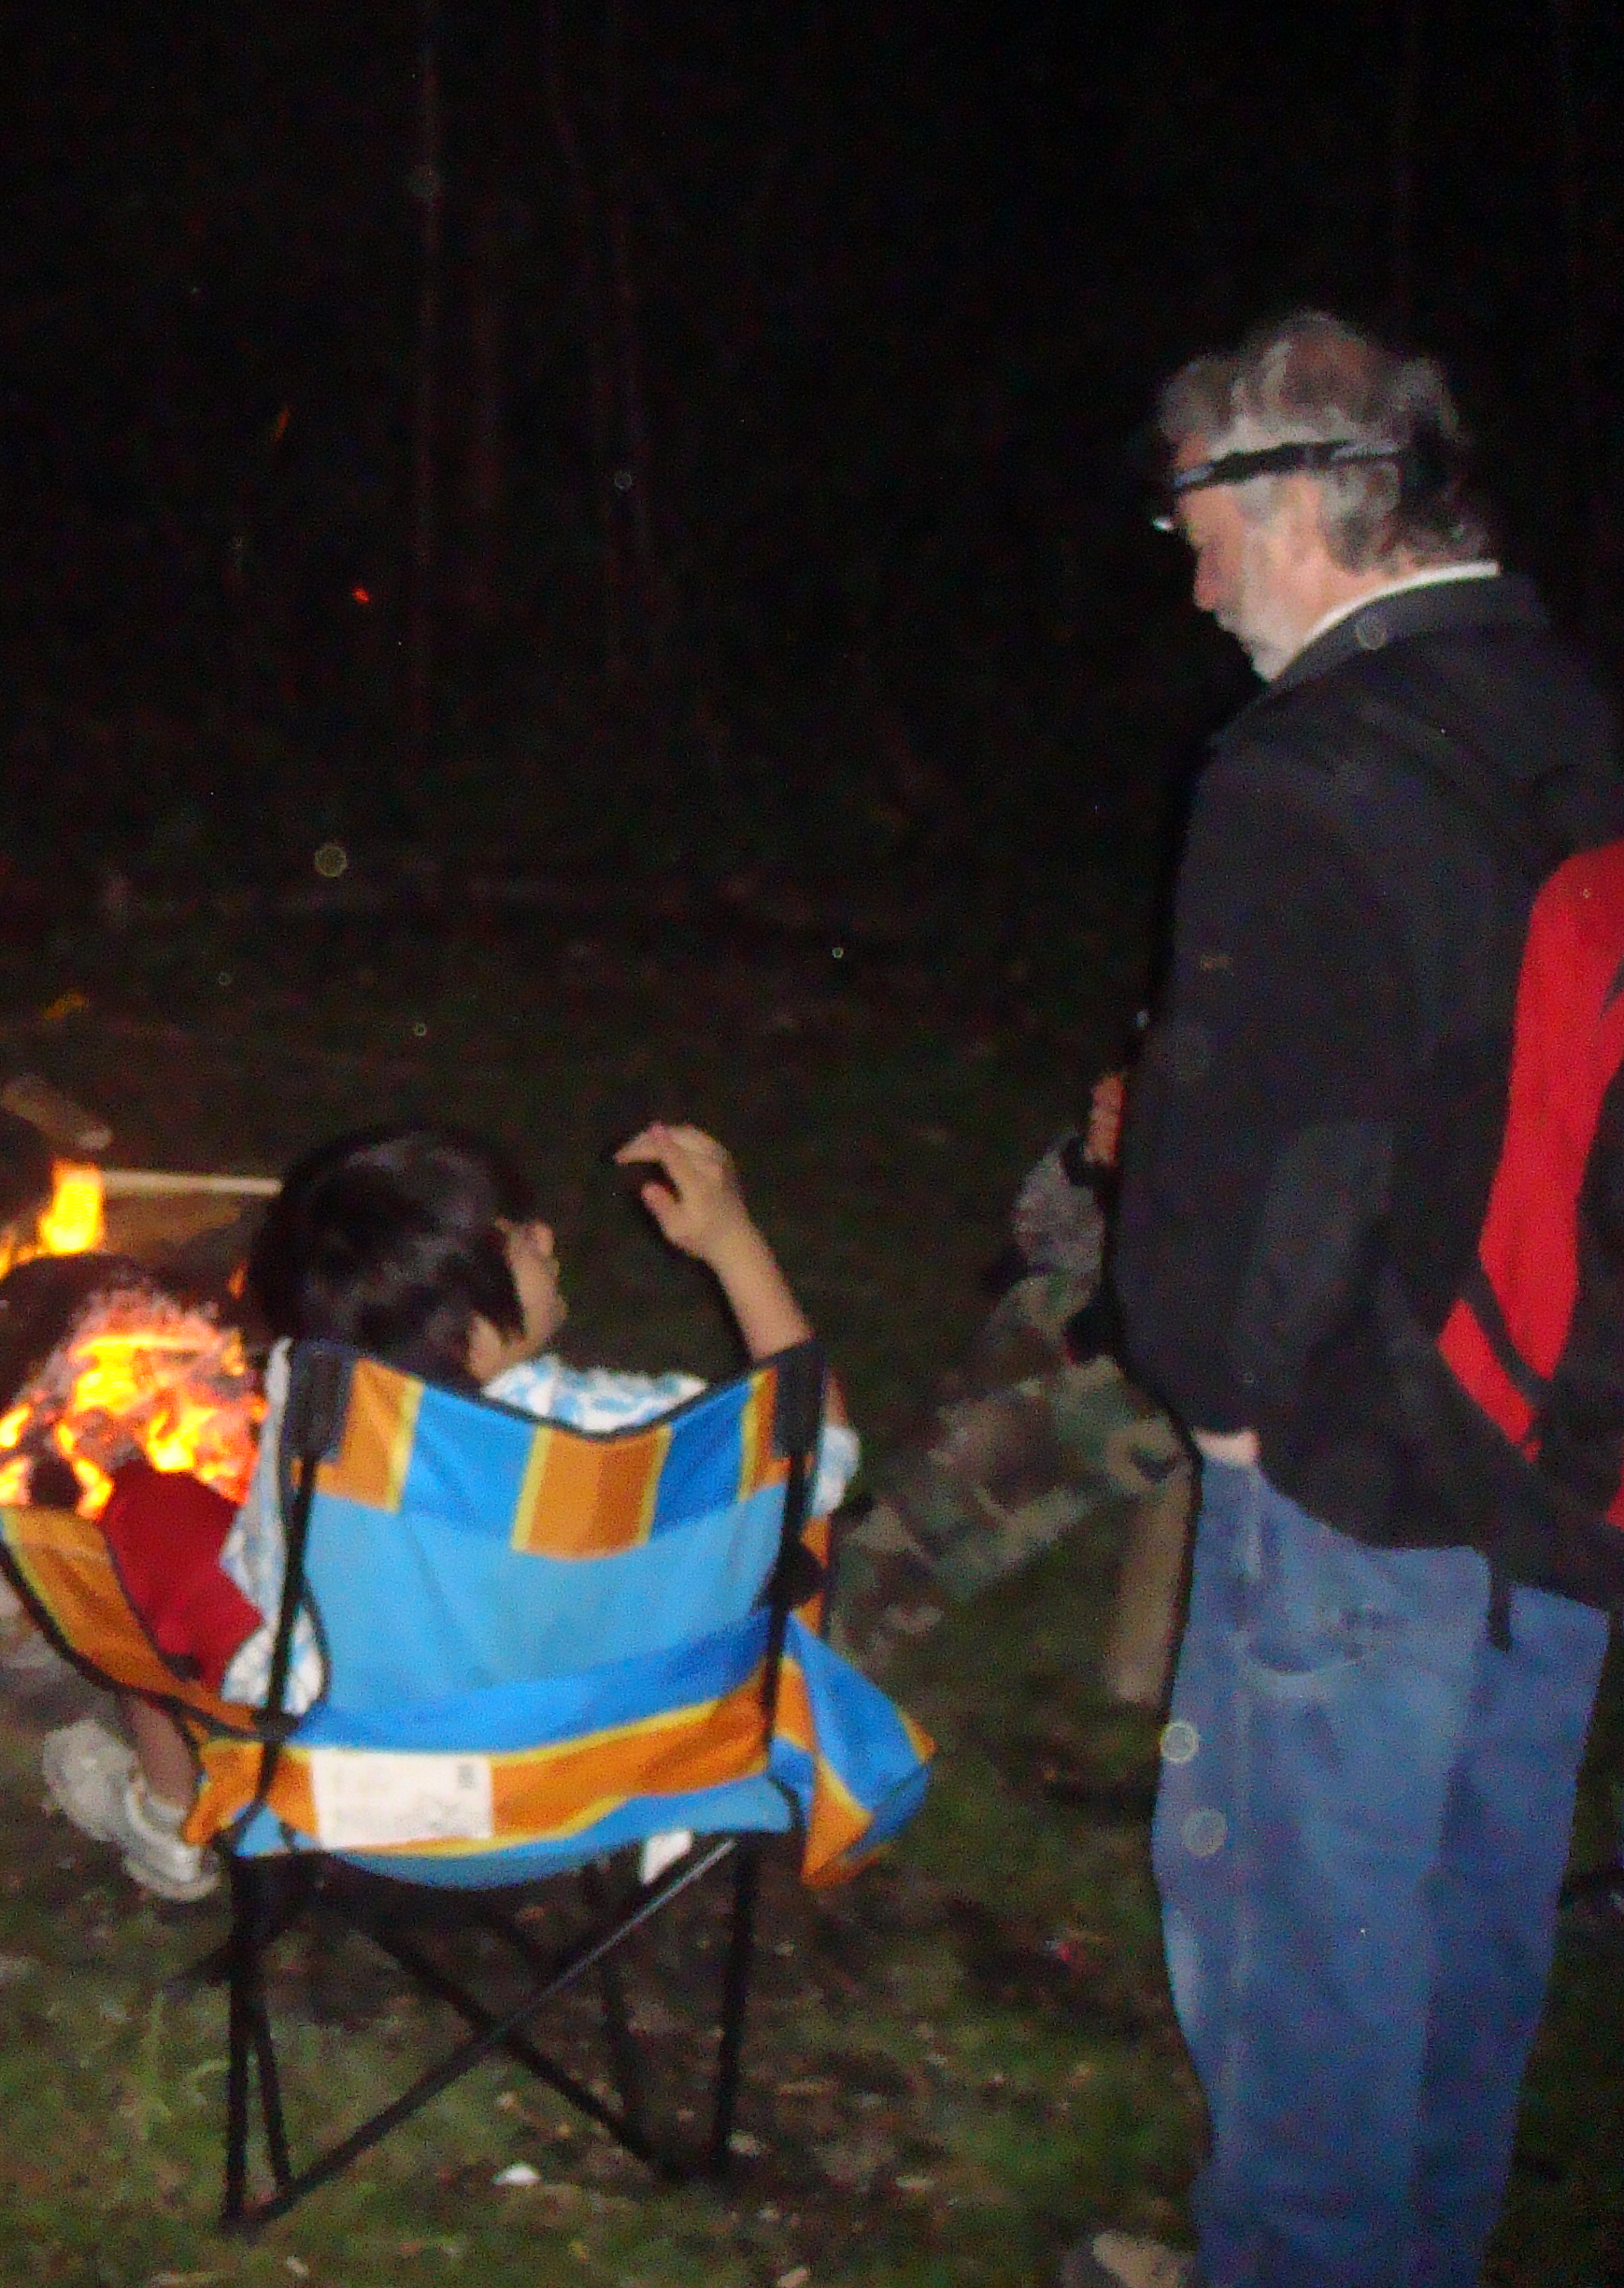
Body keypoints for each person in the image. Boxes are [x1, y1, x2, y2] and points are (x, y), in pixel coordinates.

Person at [1082, 312, 1624, 2288]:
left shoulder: (1308, 763)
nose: (1191, 569)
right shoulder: (1564, 708)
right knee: (1467, 1914)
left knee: (1301, 1942)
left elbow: (1271, 1144)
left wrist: (1223, 1402)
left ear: (1305, 494)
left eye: (1196, 519)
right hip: (1563, 1430)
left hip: (1362, 1454)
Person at [40, 1121, 857, 1901]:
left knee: (144, 1512)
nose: (546, 1238)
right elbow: (822, 1448)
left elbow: (259, 1585)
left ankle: (164, 1821)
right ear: (461, 1312)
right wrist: (732, 1242)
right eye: (518, 1237)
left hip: (363, 1807)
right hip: (615, 1784)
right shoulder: (625, 1433)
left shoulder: (319, 1426)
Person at [849, 1070, 1194, 1704]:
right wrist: (1095, 1167)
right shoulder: (1202, 1061)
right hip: (1129, 1324)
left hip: (1218, 1375)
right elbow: (1039, 1236)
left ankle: (839, 1619)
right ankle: (876, 1575)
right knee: (1032, 1316)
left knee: (995, 1444)